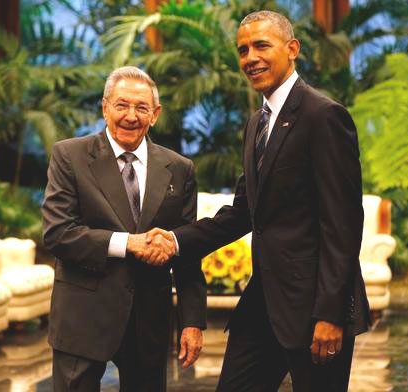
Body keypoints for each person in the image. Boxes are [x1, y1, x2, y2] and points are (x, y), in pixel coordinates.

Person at [143, 10, 371, 392]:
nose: (251, 58)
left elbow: (343, 224)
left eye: (262, 45)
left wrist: (330, 314)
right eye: (243, 49)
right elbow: (244, 212)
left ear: (292, 49)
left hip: (316, 308)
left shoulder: (324, 116)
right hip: (263, 302)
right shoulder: (256, 123)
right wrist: (176, 240)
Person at [42, 66, 206, 392]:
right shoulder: (69, 156)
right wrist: (127, 243)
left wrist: (191, 321)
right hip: (83, 316)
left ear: (155, 114)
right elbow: (57, 233)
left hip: (149, 320)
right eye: (121, 105)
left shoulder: (179, 169)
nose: (131, 116)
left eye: (141, 108)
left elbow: (187, 249)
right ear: (105, 107)